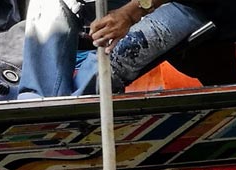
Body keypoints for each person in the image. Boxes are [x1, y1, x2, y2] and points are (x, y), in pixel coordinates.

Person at [15, 0, 214, 98]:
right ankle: (33, 104)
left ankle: (73, 115)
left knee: (122, 50)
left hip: (195, 5)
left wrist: (131, 12)